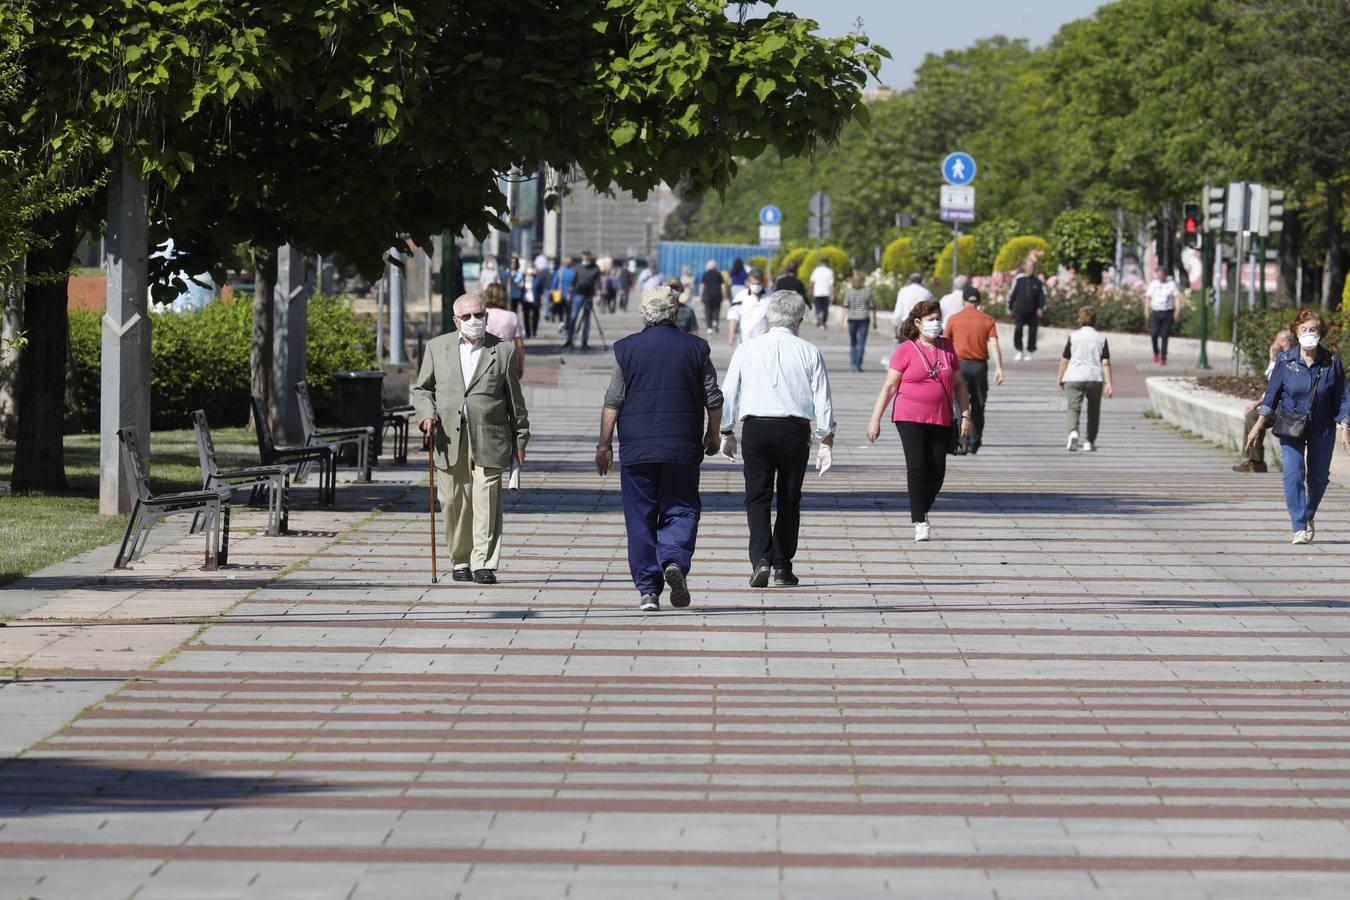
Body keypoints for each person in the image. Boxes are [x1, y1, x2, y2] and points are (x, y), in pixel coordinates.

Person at [596, 286, 724, 611]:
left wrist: (604, 444)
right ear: (675, 311)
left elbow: (614, 399)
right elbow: (713, 397)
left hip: (637, 448)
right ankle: (674, 560)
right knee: (681, 508)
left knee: (640, 517)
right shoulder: (696, 348)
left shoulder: (627, 349)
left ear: (643, 313)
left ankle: (648, 590)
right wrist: (713, 434)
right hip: (682, 446)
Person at [413, 293, 530, 585]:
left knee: (486, 498)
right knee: (453, 501)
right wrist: (426, 415)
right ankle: (460, 559)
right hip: (449, 436)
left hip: (491, 435)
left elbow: (515, 400)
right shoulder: (437, 348)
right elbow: (423, 389)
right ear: (456, 320)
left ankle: (483, 563)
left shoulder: (503, 351)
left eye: (479, 315)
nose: (474, 321)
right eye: (467, 317)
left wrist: (520, 440)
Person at [720, 291, 835, 587]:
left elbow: (729, 390)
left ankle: (761, 558)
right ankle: (783, 565)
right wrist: (825, 438)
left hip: (756, 428)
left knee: (757, 496)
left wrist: (726, 430)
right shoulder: (809, 351)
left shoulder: (747, 348)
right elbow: (822, 399)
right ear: (800, 319)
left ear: (769, 316)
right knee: (789, 497)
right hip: (794, 430)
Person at [866, 298, 973, 542]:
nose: (936, 324)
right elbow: (889, 387)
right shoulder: (905, 350)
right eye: (930, 320)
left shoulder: (947, 348)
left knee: (938, 472)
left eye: (938, 319)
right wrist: (875, 420)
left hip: (941, 416)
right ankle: (919, 520)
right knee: (918, 467)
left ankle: (921, 506)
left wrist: (966, 414)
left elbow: (959, 385)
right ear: (918, 323)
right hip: (909, 416)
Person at [1245, 308, 1350, 544]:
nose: (1309, 333)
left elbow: (1343, 397)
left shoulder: (1331, 362)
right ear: (1296, 332)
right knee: (1293, 475)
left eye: (1313, 329)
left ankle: (1309, 513)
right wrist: (1258, 425)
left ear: (1321, 333)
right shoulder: (1285, 361)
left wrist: (1345, 427)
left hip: (1322, 428)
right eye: (1304, 330)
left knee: (1319, 479)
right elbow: (1271, 396)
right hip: (1292, 426)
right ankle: (1299, 526)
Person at [943, 285, 1004, 454]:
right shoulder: (987, 320)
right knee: (978, 404)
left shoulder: (954, 319)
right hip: (979, 367)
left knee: (959, 404)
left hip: (959, 366)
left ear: (963, 301)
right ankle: (975, 441)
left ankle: (961, 440)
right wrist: (999, 368)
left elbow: (945, 344)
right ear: (979, 302)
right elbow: (994, 343)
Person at [1234, 329, 1296, 472]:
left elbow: (1277, 383)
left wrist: (1273, 358)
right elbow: (1272, 387)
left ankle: (1291, 466)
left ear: (1286, 344)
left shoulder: (1294, 359)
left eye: (1277, 342)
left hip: (1290, 410)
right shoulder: (1280, 360)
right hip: (1276, 407)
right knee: (1253, 416)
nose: (1274, 345)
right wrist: (1256, 404)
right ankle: (1255, 460)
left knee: (1261, 417)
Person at [1056, 305, 1114, 452]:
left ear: (1079, 320)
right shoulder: (1101, 338)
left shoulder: (1073, 337)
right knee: (1094, 411)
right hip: (1095, 377)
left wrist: (1060, 376)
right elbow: (1105, 362)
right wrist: (1109, 383)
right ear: (1095, 320)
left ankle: (1073, 432)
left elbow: (1064, 360)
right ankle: (1089, 441)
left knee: (1073, 408)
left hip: (1074, 376)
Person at [482, 282, 526, 376]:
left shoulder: (481, 315)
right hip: (505, 362)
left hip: (484, 362)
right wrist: (521, 366)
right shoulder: (512, 316)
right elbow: (519, 345)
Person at [1008, 256, 1046, 360]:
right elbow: (1012, 294)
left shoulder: (1038, 281)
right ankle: (1019, 350)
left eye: (1032, 267)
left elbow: (1042, 296)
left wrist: (1041, 308)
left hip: (1033, 312)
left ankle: (1030, 350)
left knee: (1032, 332)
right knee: (1018, 329)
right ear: (1024, 267)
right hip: (1020, 311)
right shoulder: (1019, 280)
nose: (1030, 268)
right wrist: (1009, 307)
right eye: (1028, 266)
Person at [564, 250, 601, 350]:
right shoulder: (577, 267)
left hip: (589, 296)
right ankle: (569, 339)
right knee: (573, 317)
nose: (585, 259)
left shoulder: (595, 268)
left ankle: (584, 342)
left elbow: (598, 282)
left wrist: (598, 295)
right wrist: (569, 294)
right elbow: (573, 281)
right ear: (581, 257)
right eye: (584, 257)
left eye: (587, 257)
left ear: (590, 257)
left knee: (586, 320)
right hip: (577, 295)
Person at [843, 271, 876, 372]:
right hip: (864, 319)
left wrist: (842, 321)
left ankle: (853, 363)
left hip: (852, 319)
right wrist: (875, 320)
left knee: (853, 342)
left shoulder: (849, 291)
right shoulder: (867, 291)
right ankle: (857, 365)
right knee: (862, 343)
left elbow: (845, 306)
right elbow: (872, 306)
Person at [726, 268, 770, 346]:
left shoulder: (770, 296)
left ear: (763, 281)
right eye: (754, 283)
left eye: (758, 284)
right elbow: (733, 316)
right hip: (744, 340)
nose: (756, 286)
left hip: (764, 341)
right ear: (749, 281)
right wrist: (732, 333)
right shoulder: (741, 296)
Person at [1146, 272, 1179, 365]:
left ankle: (1163, 357)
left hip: (1167, 312)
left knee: (1164, 335)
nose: (1160, 277)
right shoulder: (1154, 284)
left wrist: (1177, 310)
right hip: (1156, 312)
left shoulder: (1171, 285)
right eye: (1159, 275)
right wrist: (1146, 310)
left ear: (1165, 275)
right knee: (1154, 334)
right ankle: (1156, 352)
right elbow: (1148, 298)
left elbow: (1176, 297)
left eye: (1162, 275)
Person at [890, 274, 933, 338]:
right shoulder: (927, 293)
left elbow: (898, 311)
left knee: (905, 346)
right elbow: (930, 312)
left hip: (906, 324)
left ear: (909, 281)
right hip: (922, 326)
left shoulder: (903, 291)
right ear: (921, 281)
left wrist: (895, 330)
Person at [808, 259, 835, 329]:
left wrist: (811, 290)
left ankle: (818, 314)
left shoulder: (816, 270)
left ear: (821, 263)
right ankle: (823, 322)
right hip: (826, 292)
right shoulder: (830, 271)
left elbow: (812, 281)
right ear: (827, 264)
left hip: (817, 292)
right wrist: (832, 294)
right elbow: (831, 284)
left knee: (818, 307)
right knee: (825, 308)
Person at [699, 259, 724, 334]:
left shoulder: (705, 274)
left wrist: (701, 295)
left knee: (708, 311)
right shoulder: (719, 274)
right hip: (717, 294)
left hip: (707, 295)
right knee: (716, 309)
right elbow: (723, 285)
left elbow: (702, 286)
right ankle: (715, 321)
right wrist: (724, 295)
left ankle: (709, 327)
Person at [521, 262, 545, 339]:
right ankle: (528, 333)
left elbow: (541, 289)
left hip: (535, 300)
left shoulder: (537, 278)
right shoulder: (523, 277)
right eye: (529, 267)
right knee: (526, 317)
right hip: (525, 299)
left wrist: (542, 298)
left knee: (535, 316)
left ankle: (534, 332)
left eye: (532, 267)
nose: (530, 269)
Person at [549, 257, 575, 326]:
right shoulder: (574, 272)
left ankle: (561, 322)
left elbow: (555, 283)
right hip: (570, 294)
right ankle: (568, 324)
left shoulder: (559, 272)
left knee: (560, 309)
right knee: (568, 310)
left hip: (559, 293)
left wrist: (552, 290)